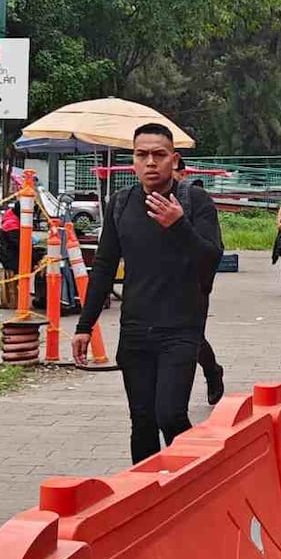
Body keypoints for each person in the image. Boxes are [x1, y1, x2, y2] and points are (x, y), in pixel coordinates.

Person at [73, 123, 223, 464]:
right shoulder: (121, 204)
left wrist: (179, 225)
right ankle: (145, 497)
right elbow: (106, 265)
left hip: (181, 328)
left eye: (159, 154)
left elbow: (211, 258)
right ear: (133, 161)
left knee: (170, 416)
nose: (151, 162)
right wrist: (85, 326)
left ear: (174, 159)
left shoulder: (194, 201)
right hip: (136, 329)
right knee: (142, 422)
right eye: (142, 155)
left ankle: (193, 482)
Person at [172, 158, 225, 405]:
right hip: (156, 284)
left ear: (181, 173)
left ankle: (212, 371)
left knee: (192, 337)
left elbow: (212, 250)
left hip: (193, 283)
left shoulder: (197, 199)